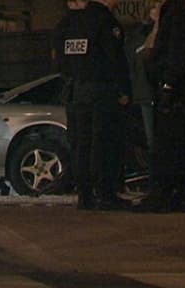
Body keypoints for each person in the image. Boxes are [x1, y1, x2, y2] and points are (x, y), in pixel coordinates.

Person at [54, 0, 132, 210]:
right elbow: (116, 59)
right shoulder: (103, 21)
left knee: (81, 143)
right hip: (101, 90)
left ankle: (85, 195)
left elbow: (60, 61)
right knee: (103, 142)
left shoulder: (68, 24)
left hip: (76, 91)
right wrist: (124, 90)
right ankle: (105, 193)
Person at [140, 0, 185, 212]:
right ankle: (183, 194)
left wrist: (169, 84)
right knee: (180, 143)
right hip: (180, 89)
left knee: (173, 143)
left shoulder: (179, 13)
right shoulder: (178, 12)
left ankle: (173, 194)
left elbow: (178, 52)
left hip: (178, 91)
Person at [52, 0, 87, 205]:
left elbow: (57, 59)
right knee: (85, 139)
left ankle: (78, 183)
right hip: (83, 89)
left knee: (77, 140)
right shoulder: (84, 25)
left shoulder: (62, 26)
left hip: (71, 90)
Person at [124, 0, 162, 153]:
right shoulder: (137, 37)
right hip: (146, 92)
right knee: (152, 137)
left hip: (164, 92)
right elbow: (136, 60)